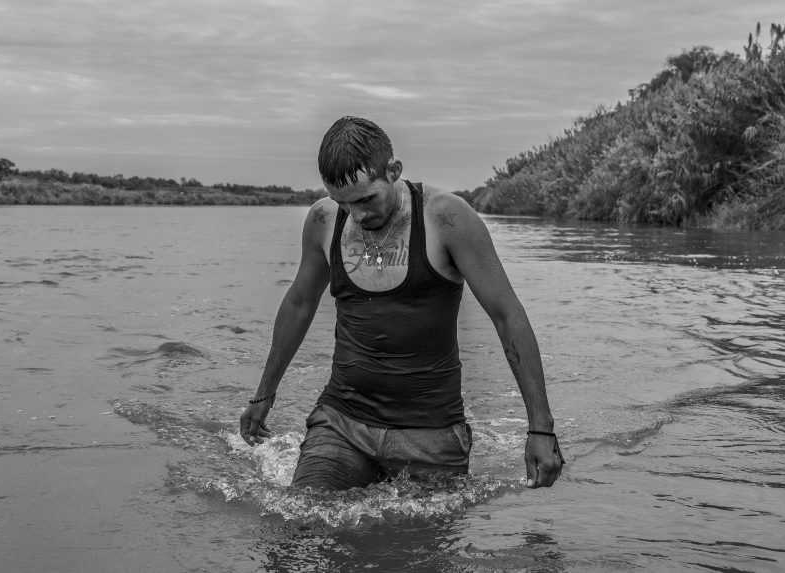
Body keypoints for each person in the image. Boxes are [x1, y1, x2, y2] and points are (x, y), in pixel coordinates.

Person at [239, 116, 564, 490]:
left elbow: (508, 317)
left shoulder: (447, 218)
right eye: (344, 203)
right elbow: (299, 303)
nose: (358, 215)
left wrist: (541, 427)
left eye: (365, 199)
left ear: (393, 171)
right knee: (300, 525)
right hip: (341, 423)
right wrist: (264, 393)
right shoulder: (323, 220)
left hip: (431, 435)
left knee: (422, 546)